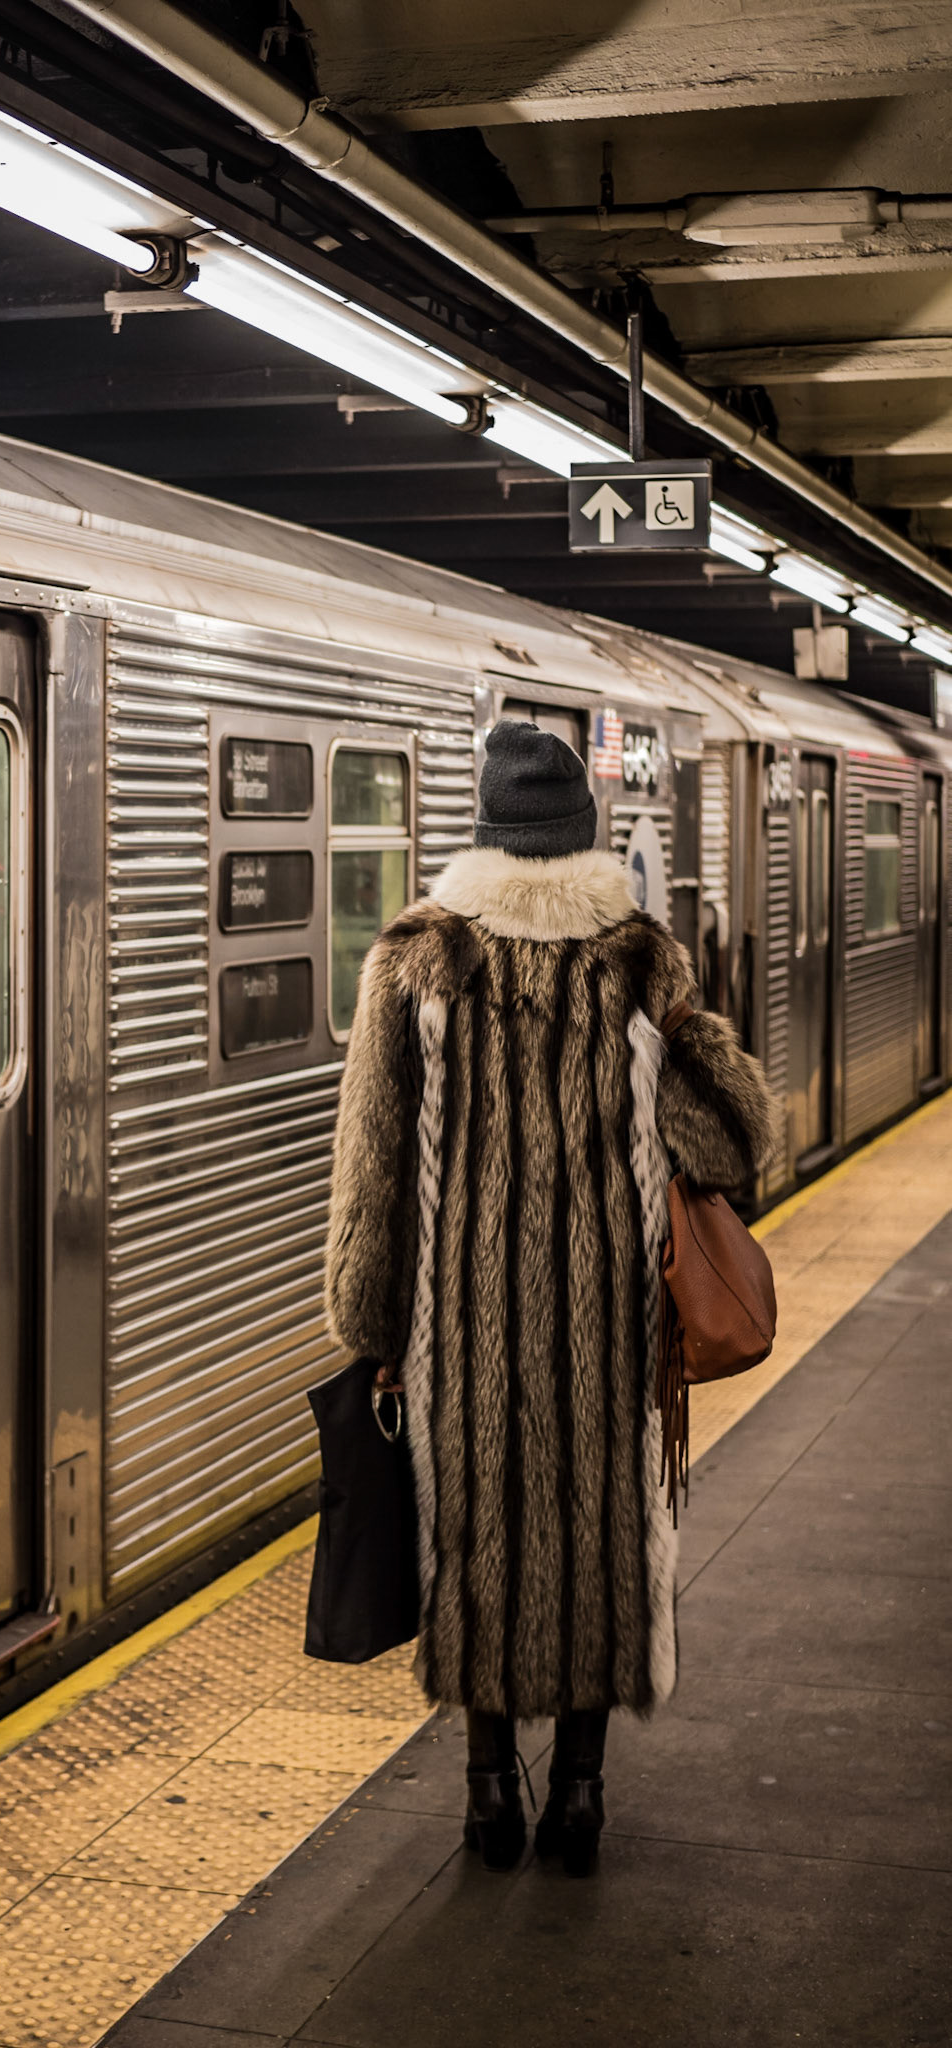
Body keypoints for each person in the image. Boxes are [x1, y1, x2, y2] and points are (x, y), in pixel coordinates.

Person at [324, 720, 781, 1876]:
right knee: (600, 1538)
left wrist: (374, 1332)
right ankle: (577, 1791)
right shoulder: (637, 961)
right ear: (582, 841)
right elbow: (733, 1143)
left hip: (456, 1338)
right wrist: (695, 1039)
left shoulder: (414, 962)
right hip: (609, 1331)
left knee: (469, 1539)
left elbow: (372, 1178)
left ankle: (487, 1790)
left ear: (481, 837)